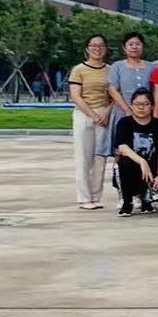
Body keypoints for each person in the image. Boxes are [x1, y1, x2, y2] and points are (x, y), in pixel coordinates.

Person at [69, 34, 112, 210]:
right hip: (84, 114)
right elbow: (76, 96)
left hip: (104, 115)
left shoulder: (111, 70)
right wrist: (93, 115)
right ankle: (84, 198)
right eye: (93, 46)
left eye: (101, 46)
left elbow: (115, 95)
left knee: (100, 158)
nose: (97, 49)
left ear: (106, 49)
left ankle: (96, 196)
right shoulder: (78, 70)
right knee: (83, 157)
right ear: (87, 49)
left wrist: (107, 113)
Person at [113, 87, 158, 215]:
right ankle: (127, 202)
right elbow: (122, 147)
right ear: (131, 105)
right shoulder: (124, 123)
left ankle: (146, 201)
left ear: (152, 106)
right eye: (137, 104)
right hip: (132, 166)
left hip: (152, 167)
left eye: (145, 104)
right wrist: (142, 162)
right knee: (123, 163)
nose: (141, 107)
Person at [105, 31, 153, 158]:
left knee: (145, 148)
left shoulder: (151, 67)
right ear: (124, 47)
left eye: (138, 44)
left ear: (143, 46)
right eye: (130, 44)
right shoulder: (117, 66)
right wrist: (127, 110)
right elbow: (112, 89)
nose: (134, 47)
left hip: (145, 114)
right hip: (122, 113)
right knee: (121, 150)